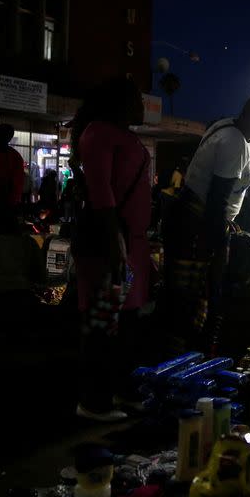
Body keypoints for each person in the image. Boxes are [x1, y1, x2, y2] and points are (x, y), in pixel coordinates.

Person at [163, 93, 250, 354]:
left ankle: (191, 353)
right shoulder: (234, 142)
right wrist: (218, 245)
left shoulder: (228, 128)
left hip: (195, 223)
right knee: (195, 301)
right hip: (198, 227)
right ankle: (187, 359)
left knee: (189, 300)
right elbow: (218, 199)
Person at [70, 77, 152, 421]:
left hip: (127, 243)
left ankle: (122, 390)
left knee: (126, 321)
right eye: (135, 99)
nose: (142, 106)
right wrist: (116, 242)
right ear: (118, 102)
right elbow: (100, 190)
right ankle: (94, 401)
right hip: (109, 243)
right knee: (103, 321)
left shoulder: (118, 134)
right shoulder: (99, 133)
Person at [0, 124, 25, 217]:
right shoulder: (15, 156)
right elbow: (17, 182)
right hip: (5, 200)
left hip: (1, 199)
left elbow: (16, 182)